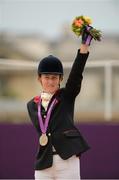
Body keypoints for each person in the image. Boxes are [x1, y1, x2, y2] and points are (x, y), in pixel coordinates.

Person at [27, 27, 93, 180]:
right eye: (47, 77)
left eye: (54, 77)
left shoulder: (66, 96)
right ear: (39, 79)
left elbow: (76, 75)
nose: (50, 81)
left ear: (60, 79)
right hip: (44, 162)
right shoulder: (31, 105)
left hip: (67, 160)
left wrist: (84, 46)